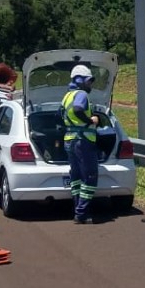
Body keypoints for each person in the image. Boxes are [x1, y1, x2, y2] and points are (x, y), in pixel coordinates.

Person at [62, 64, 99, 224]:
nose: (90, 84)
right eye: (89, 80)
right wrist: (90, 120)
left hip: (69, 140)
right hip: (82, 141)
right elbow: (78, 109)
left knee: (76, 177)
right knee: (90, 177)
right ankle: (82, 213)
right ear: (80, 80)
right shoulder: (82, 94)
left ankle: (78, 210)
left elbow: (61, 115)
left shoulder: (67, 96)